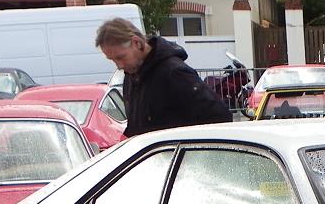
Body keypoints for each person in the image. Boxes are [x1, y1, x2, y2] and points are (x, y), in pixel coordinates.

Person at [94, 17, 231, 137]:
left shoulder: (174, 73)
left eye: (121, 57)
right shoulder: (132, 76)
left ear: (136, 43)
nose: (119, 65)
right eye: (112, 60)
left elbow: (219, 117)